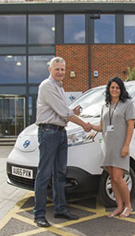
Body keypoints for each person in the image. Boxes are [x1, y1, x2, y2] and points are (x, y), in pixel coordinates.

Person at [34, 57, 91, 227]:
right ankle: (39, 215)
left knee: (60, 174)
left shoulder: (60, 88)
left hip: (60, 132)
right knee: (44, 175)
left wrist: (72, 111)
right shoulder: (47, 86)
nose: (60, 72)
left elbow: (63, 111)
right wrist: (84, 125)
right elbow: (63, 112)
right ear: (50, 70)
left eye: (63, 69)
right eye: (57, 69)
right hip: (48, 133)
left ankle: (60, 209)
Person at [91, 77, 135, 218]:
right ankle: (119, 206)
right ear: (108, 89)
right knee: (112, 178)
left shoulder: (127, 104)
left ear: (121, 89)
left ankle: (128, 206)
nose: (114, 90)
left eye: (117, 87)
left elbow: (130, 125)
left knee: (118, 178)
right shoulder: (105, 105)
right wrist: (90, 127)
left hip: (120, 146)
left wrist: (126, 145)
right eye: (112, 87)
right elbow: (102, 127)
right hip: (107, 147)